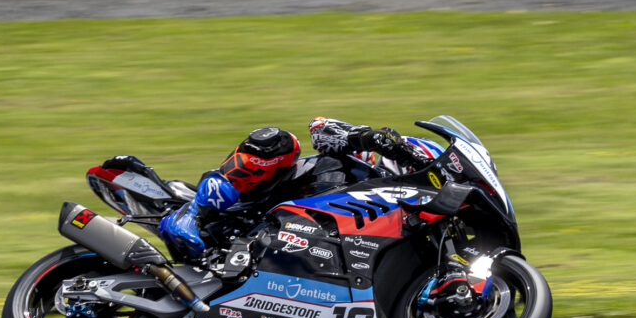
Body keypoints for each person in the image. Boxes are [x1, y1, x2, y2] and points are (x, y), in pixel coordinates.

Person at [158, 117, 443, 258]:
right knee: (277, 142)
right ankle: (191, 215)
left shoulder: (396, 217)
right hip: (256, 209)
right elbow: (319, 127)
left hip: (299, 247)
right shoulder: (361, 160)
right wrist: (368, 138)